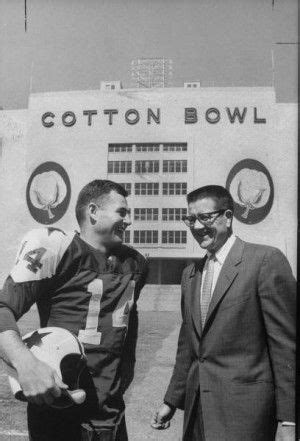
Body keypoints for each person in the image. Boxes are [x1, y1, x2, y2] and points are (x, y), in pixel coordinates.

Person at [0, 179, 148, 441]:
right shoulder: (57, 247)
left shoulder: (135, 263)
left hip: (110, 414)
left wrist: (123, 376)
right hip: (58, 410)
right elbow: (3, 308)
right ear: (92, 211)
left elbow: (128, 329)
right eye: (121, 212)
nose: (128, 221)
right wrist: (25, 363)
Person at [151, 185, 296, 441]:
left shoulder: (264, 261)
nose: (196, 226)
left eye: (205, 217)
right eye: (190, 219)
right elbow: (189, 347)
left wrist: (289, 420)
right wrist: (171, 401)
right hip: (197, 415)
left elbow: (286, 348)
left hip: (245, 418)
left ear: (228, 217)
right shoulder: (190, 274)